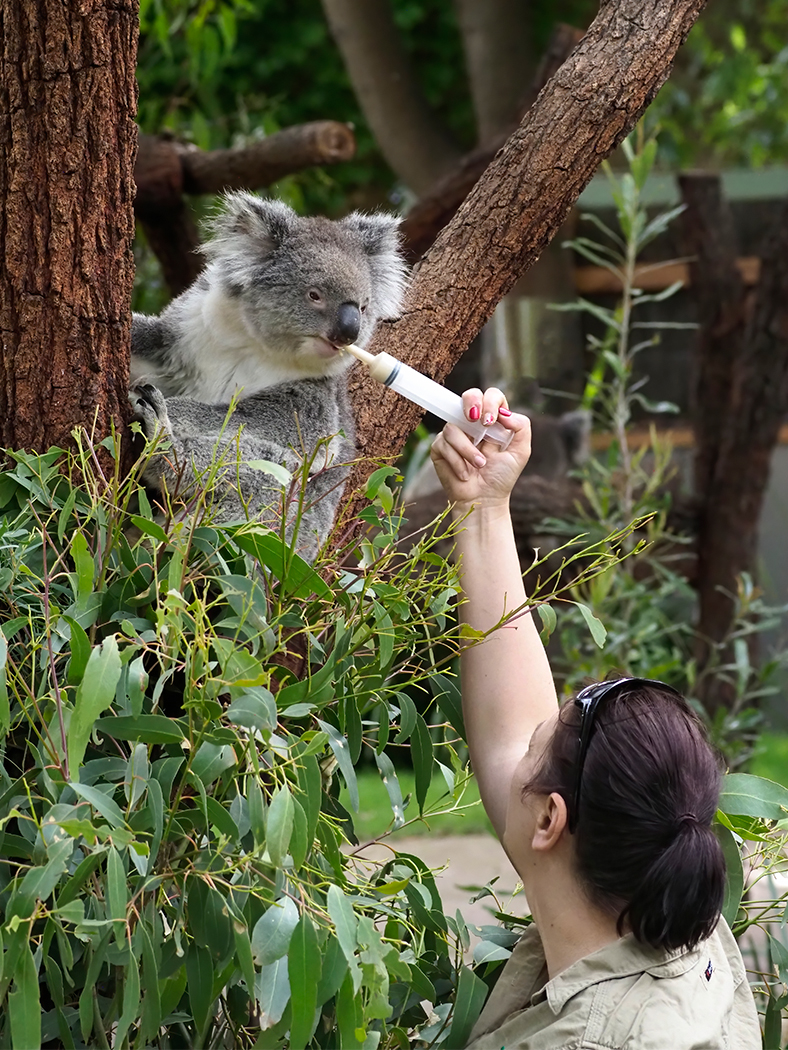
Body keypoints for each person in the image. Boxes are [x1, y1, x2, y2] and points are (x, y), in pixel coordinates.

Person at [429, 389, 761, 1050]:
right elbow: (508, 738)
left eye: (540, 743)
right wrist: (485, 506)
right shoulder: (679, 928)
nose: (529, 730)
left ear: (552, 819)